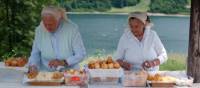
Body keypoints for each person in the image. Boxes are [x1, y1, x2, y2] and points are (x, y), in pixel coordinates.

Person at [28, 6, 86, 73]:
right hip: (46, 74)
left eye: (51, 24)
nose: (47, 27)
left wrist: (64, 62)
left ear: (59, 20)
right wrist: (33, 65)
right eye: (45, 24)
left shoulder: (72, 29)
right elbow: (35, 53)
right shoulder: (39, 30)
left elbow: (81, 54)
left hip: (70, 73)